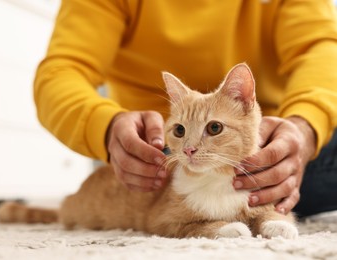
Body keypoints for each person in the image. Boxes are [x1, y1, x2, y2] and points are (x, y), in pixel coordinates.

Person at [34, 1, 337, 218]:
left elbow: (322, 49)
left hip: (272, 140)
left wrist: (305, 126)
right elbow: (60, 72)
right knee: (183, 189)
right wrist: (106, 126)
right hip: (165, 152)